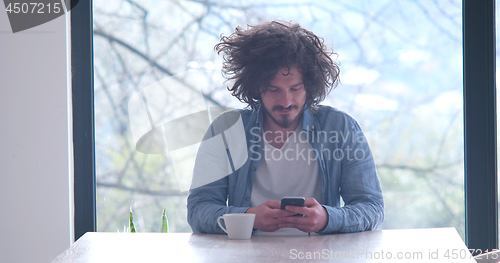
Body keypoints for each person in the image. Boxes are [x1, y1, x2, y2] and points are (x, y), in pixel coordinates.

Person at [187, 20, 384, 234]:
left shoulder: (341, 128)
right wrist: (248, 218)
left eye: (295, 88)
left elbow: (372, 208)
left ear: (309, 86)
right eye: (273, 89)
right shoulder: (226, 130)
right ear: (255, 87)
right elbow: (199, 211)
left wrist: (327, 218)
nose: (286, 101)